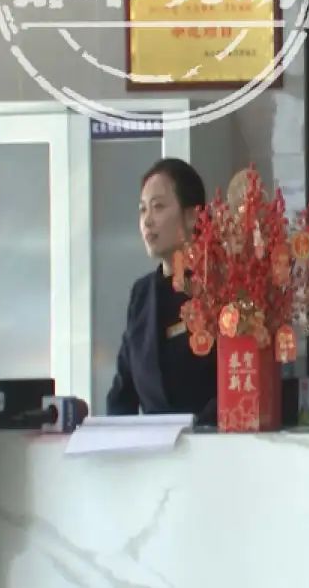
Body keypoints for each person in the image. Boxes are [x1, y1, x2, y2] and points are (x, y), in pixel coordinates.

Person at [106, 158, 216, 425]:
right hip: (154, 447)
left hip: (212, 442)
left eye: (158, 207)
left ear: (192, 216)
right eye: (142, 210)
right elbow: (122, 394)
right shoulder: (141, 295)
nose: (147, 221)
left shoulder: (221, 287)